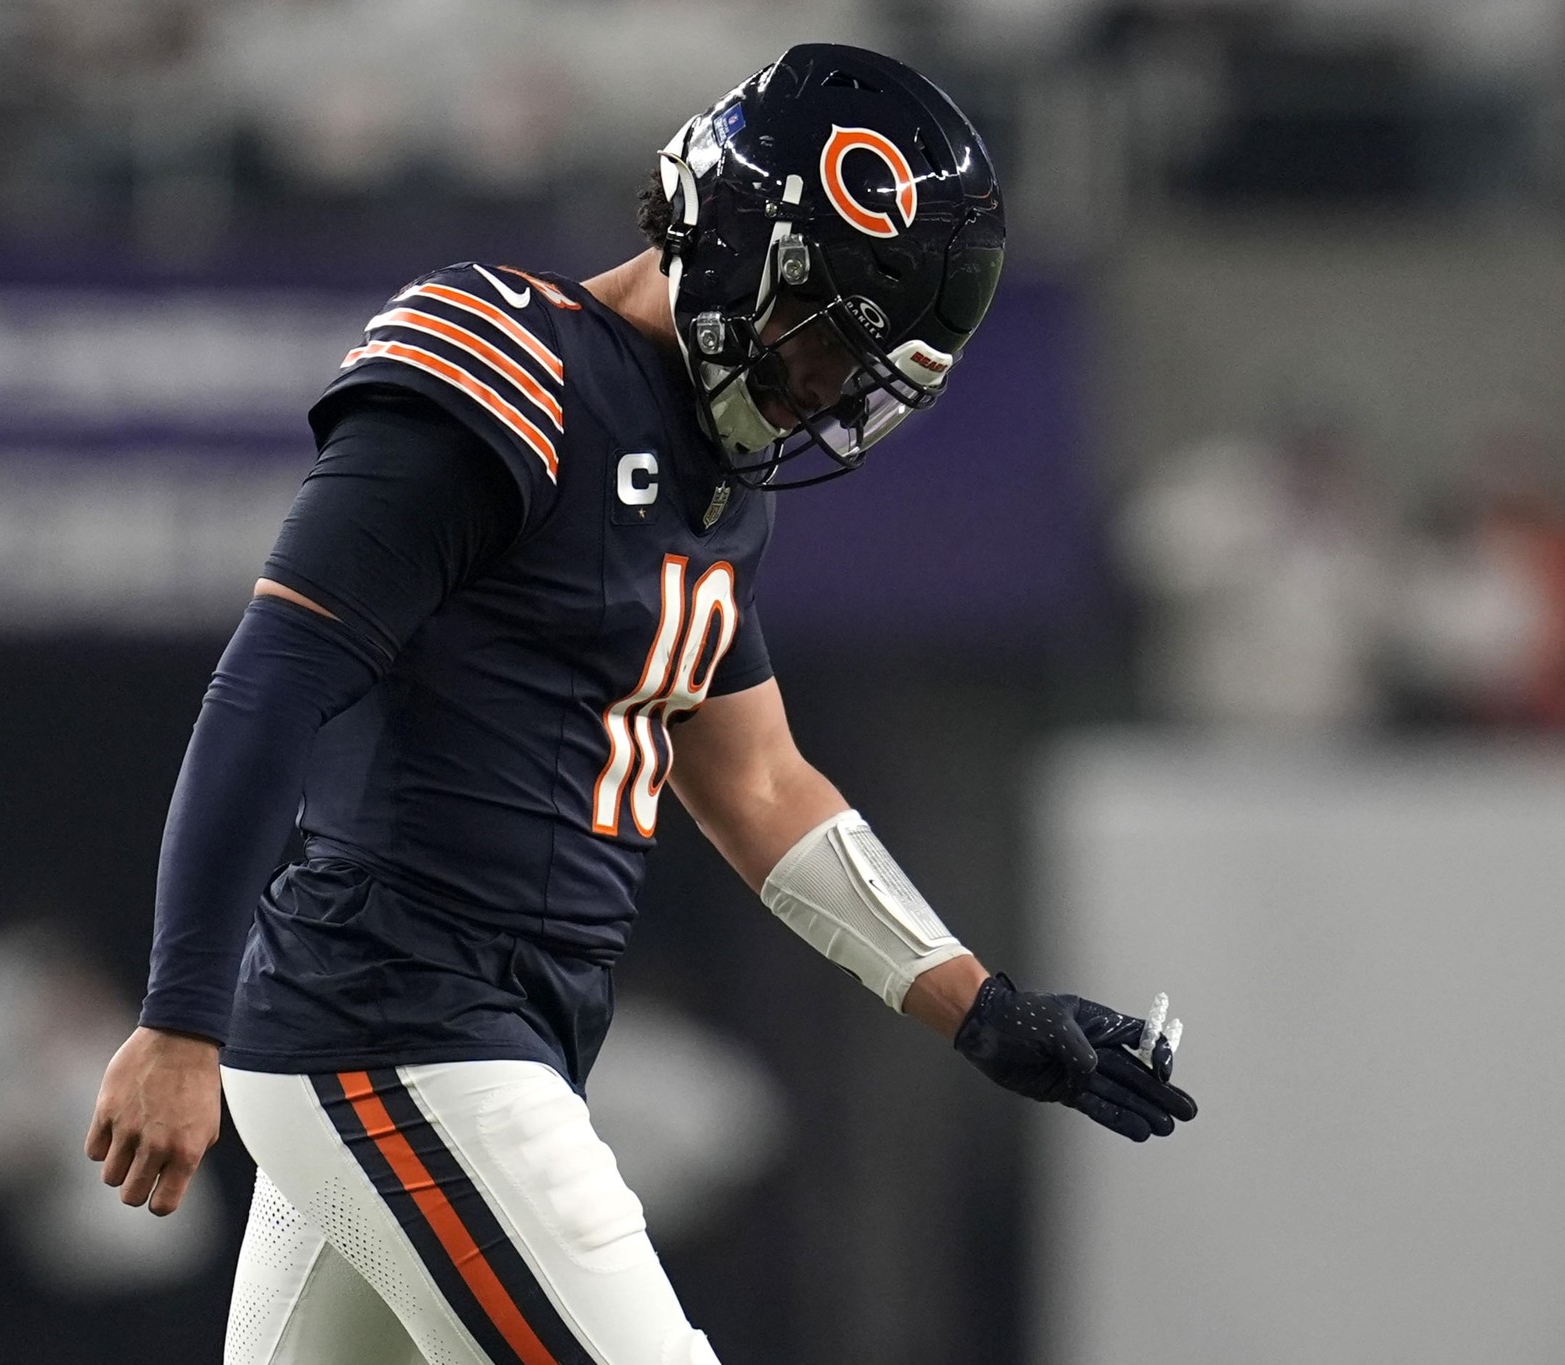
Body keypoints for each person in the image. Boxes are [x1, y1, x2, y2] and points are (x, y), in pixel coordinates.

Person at [87, 44, 1196, 1365]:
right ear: (736, 239)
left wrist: (984, 1005)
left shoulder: (715, 492)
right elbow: (275, 676)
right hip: (398, 1023)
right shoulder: (512, 364)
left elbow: (760, 783)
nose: (829, 394)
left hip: (457, 1036)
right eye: (826, 340)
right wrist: (178, 1013)